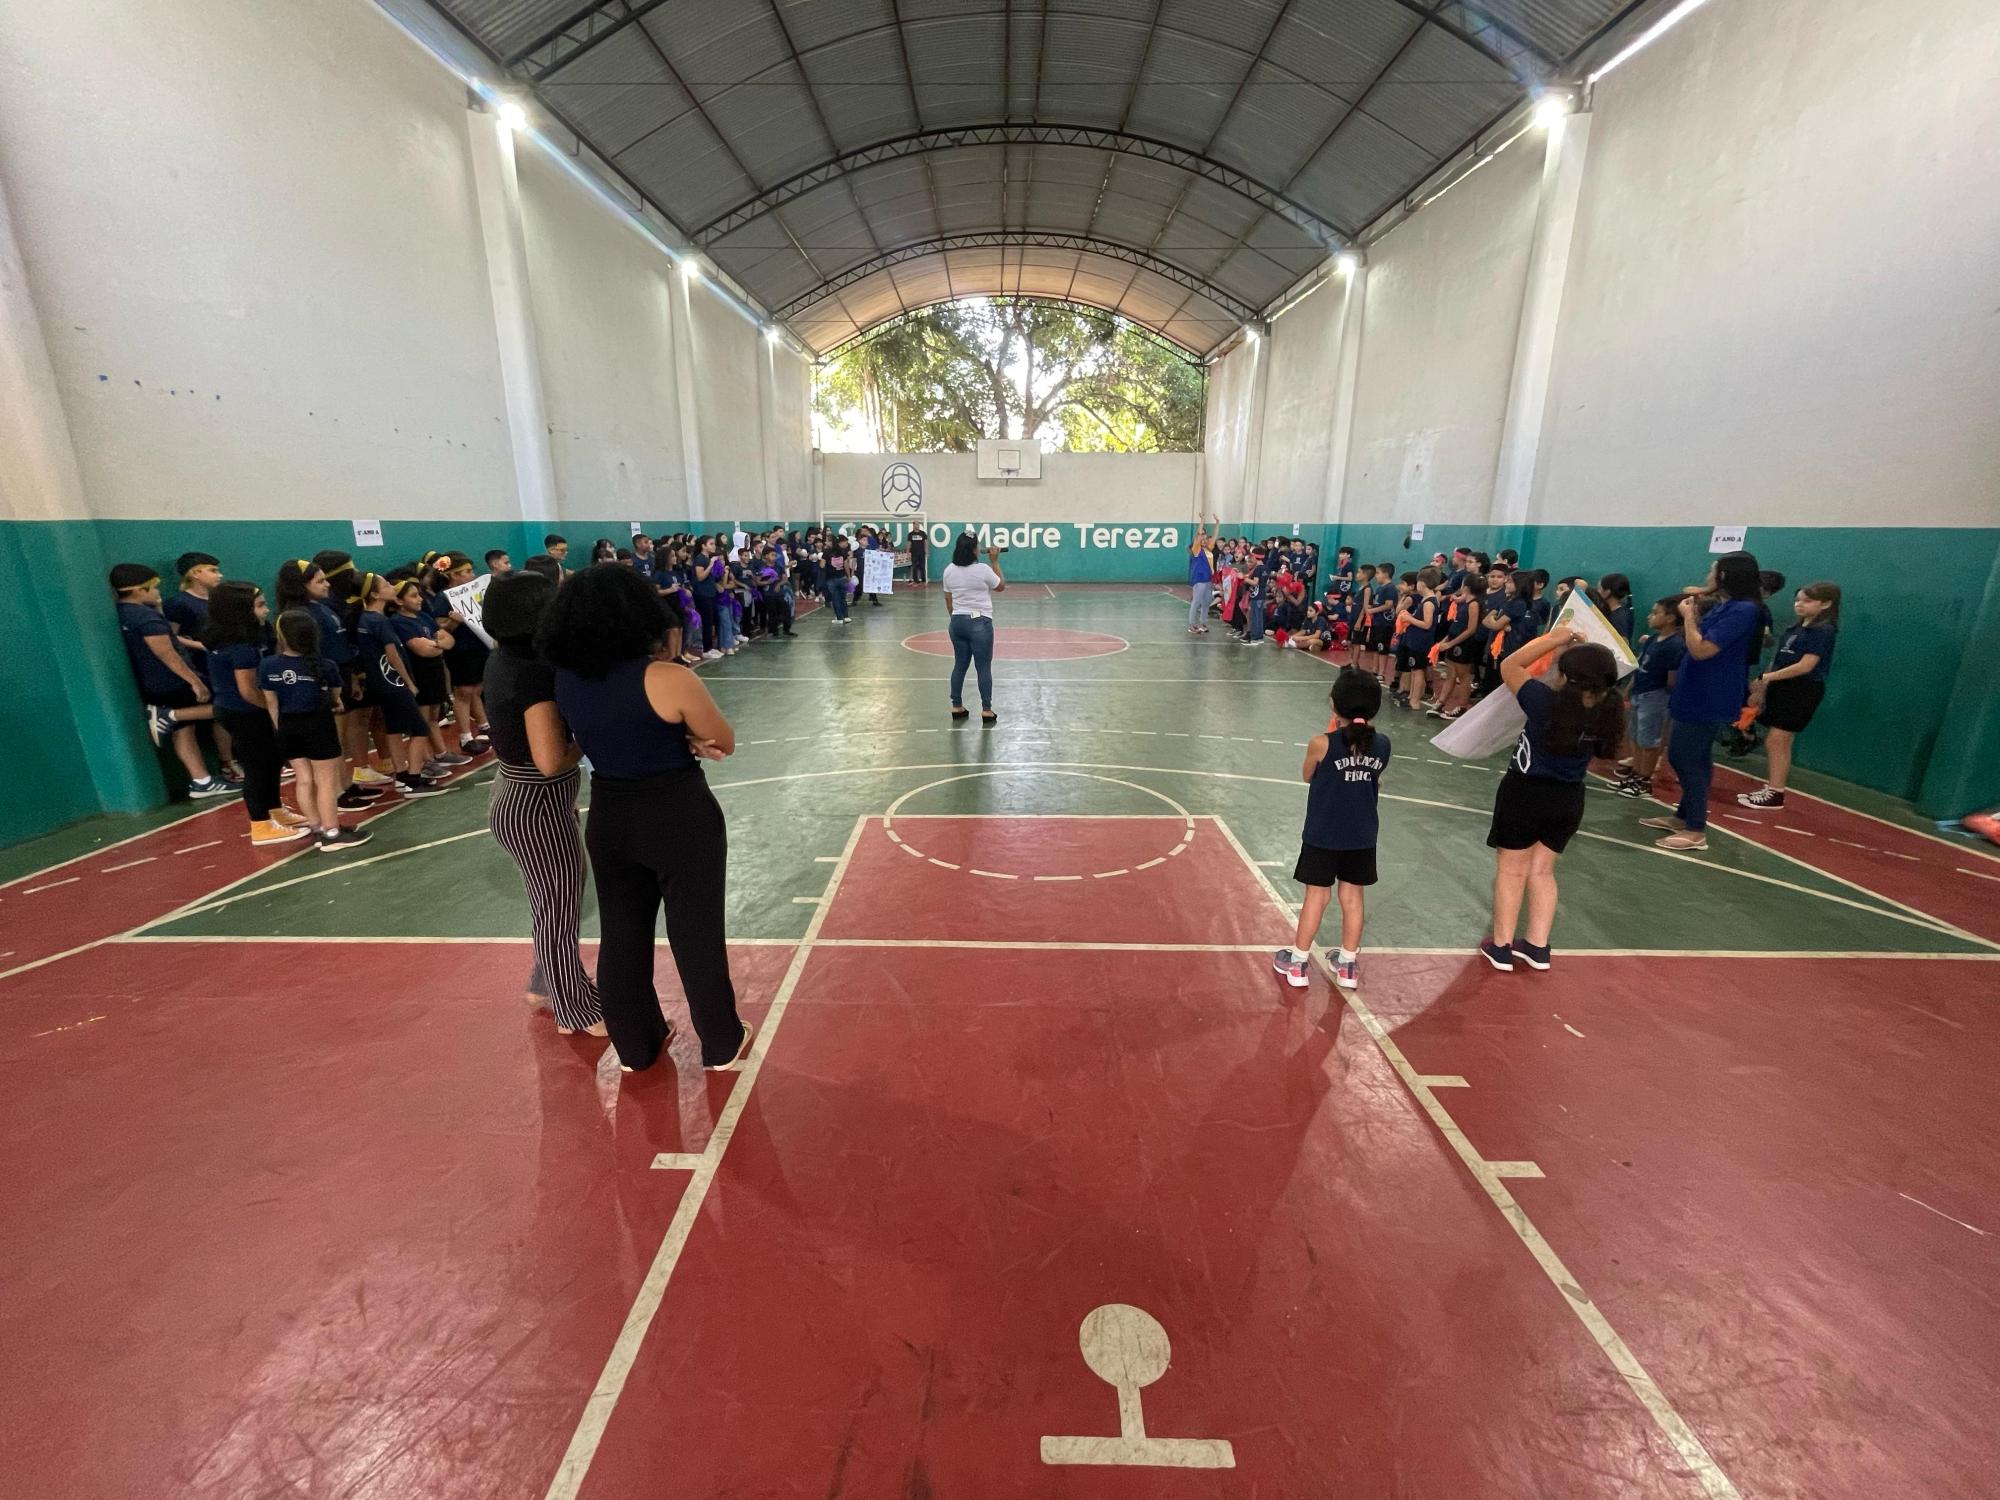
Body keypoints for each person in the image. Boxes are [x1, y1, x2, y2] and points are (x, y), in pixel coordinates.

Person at [540, 564, 751, 1074]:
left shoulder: (565, 681)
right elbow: (722, 741)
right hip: (678, 812)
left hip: (610, 814)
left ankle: (635, 1045)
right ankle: (721, 1042)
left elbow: (584, 741)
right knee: (695, 932)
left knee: (622, 931)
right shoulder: (668, 677)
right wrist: (688, 740)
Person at [481, 572, 606, 1037]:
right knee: (558, 909)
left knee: (552, 903)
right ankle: (575, 1008)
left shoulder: (506, 658)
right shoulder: (531, 671)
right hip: (535, 801)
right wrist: (591, 738)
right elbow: (551, 759)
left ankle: (543, 984)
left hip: (521, 795)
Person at [1481, 630, 1623, 972]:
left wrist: (1557, 638)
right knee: (1542, 872)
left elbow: (1511, 664)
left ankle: (1501, 947)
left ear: (1564, 675)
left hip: (1525, 792)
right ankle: (1537, 946)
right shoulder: (1610, 709)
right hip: (1570, 798)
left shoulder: (1544, 701)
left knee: (1512, 872)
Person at [1642, 552, 1762, 852]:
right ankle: (1684, 816)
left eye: (1713, 571)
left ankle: (1696, 828)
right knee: (1697, 756)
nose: (1708, 576)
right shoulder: (1728, 605)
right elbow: (1693, 592)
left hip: (1710, 693)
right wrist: (1699, 602)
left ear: (1724, 576)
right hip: (1694, 688)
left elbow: (1702, 649)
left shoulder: (1744, 610)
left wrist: (1688, 618)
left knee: (1684, 757)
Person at [1275, 670, 1387, 992]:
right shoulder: (1383, 745)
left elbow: (1307, 775)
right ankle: (1348, 965)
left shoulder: (1320, 743)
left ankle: (1297, 962)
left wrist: (1333, 735)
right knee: (1352, 897)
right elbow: (1374, 776)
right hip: (1362, 836)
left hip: (1323, 834)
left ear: (1334, 705)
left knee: (1317, 896)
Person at [110, 563, 232, 796]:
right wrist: (194, 681)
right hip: (172, 681)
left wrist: (158, 608)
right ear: (139, 590)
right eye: (154, 588)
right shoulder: (146, 619)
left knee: (183, 730)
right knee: (227, 706)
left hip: (154, 683)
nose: (159, 593)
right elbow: (166, 653)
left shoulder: (126, 612)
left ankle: (201, 781)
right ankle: (169, 715)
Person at [203, 581, 310, 846]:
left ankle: (275, 811)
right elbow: (248, 690)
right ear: (240, 611)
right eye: (260, 605)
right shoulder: (240, 646)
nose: (267, 610)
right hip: (242, 712)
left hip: (245, 710)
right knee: (257, 767)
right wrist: (276, 709)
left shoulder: (251, 636)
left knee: (271, 761)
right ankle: (260, 825)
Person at [261, 608, 371, 852]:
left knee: (304, 779)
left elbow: (271, 702)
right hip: (318, 725)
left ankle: (317, 826)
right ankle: (332, 832)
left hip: (287, 727)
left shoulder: (268, 665)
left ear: (282, 637)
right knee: (325, 781)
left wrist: (280, 729)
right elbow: (335, 700)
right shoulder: (325, 666)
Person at [1738, 583, 1839, 810]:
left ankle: (1776, 793)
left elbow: (1806, 665)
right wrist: (1764, 687)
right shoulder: (1795, 629)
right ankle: (1774, 788)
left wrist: (1768, 677)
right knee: (1778, 740)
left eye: (1807, 600)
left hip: (1802, 689)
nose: (1799, 604)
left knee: (1777, 740)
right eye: (1798, 599)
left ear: (1826, 604)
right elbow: (1779, 658)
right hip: (1782, 688)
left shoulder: (1823, 631)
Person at [352, 572, 449, 798]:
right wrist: (408, 682)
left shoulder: (365, 619)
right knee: (420, 729)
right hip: (393, 683)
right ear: (375, 594)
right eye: (386, 585)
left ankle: (402, 775)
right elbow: (393, 654)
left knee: (394, 730)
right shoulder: (379, 620)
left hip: (379, 684)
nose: (391, 587)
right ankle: (413, 780)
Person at [1615, 596, 1686, 799]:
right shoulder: (1653, 640)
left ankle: (1644, 780)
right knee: (1636, 736)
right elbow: (1640, 666)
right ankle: (1636, 774)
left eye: (1656, 613)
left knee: (1649, 741)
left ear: (1671, 618)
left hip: (1656, 695)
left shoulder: (1675, 645)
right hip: (1640, 692)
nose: (1650, 616)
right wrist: (1630, 687)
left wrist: (1665, 696)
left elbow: (1672, 679)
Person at [942, 534, 1006, 724]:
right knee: (983, 667)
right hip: (979, 621)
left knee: (960, 665)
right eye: (978, 545)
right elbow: (1000, 586)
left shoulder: (949, 570)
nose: (980, 548)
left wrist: (957, 618)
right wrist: (994, 561)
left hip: (957, 622)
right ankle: (986, 709)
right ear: (973, 550)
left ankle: (957, 706)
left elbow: (948, 600)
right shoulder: (983, 569)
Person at [1187, 519, 1217, 634]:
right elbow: (1198, 536)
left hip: (1209, 580)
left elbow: (1214, 536)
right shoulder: (1196, 549)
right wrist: (1202, 521)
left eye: (1205, 537)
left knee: (1206, 602)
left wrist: (1218, 523)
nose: (1204, 539)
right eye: (1202, 537)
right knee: (1196, 602)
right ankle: (1192, 624)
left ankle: (1203, 623)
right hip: (1199, 580)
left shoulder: (1208, 549)